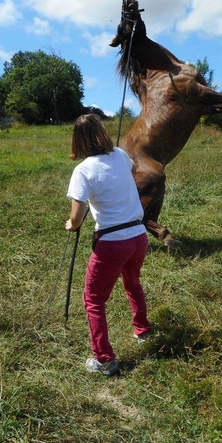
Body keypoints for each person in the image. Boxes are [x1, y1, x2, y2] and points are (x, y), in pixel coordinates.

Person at [65, 114, 152, 376]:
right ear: (102, 132)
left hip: (113, 243)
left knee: (93, 299)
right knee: (132, 282)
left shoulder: (83, 171)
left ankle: (104, 358)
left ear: (77, 141)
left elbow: (77, 217)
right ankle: (142, 330)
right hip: (138, 236)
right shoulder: (119, 155)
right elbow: (128, 172)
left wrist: (71, 224)